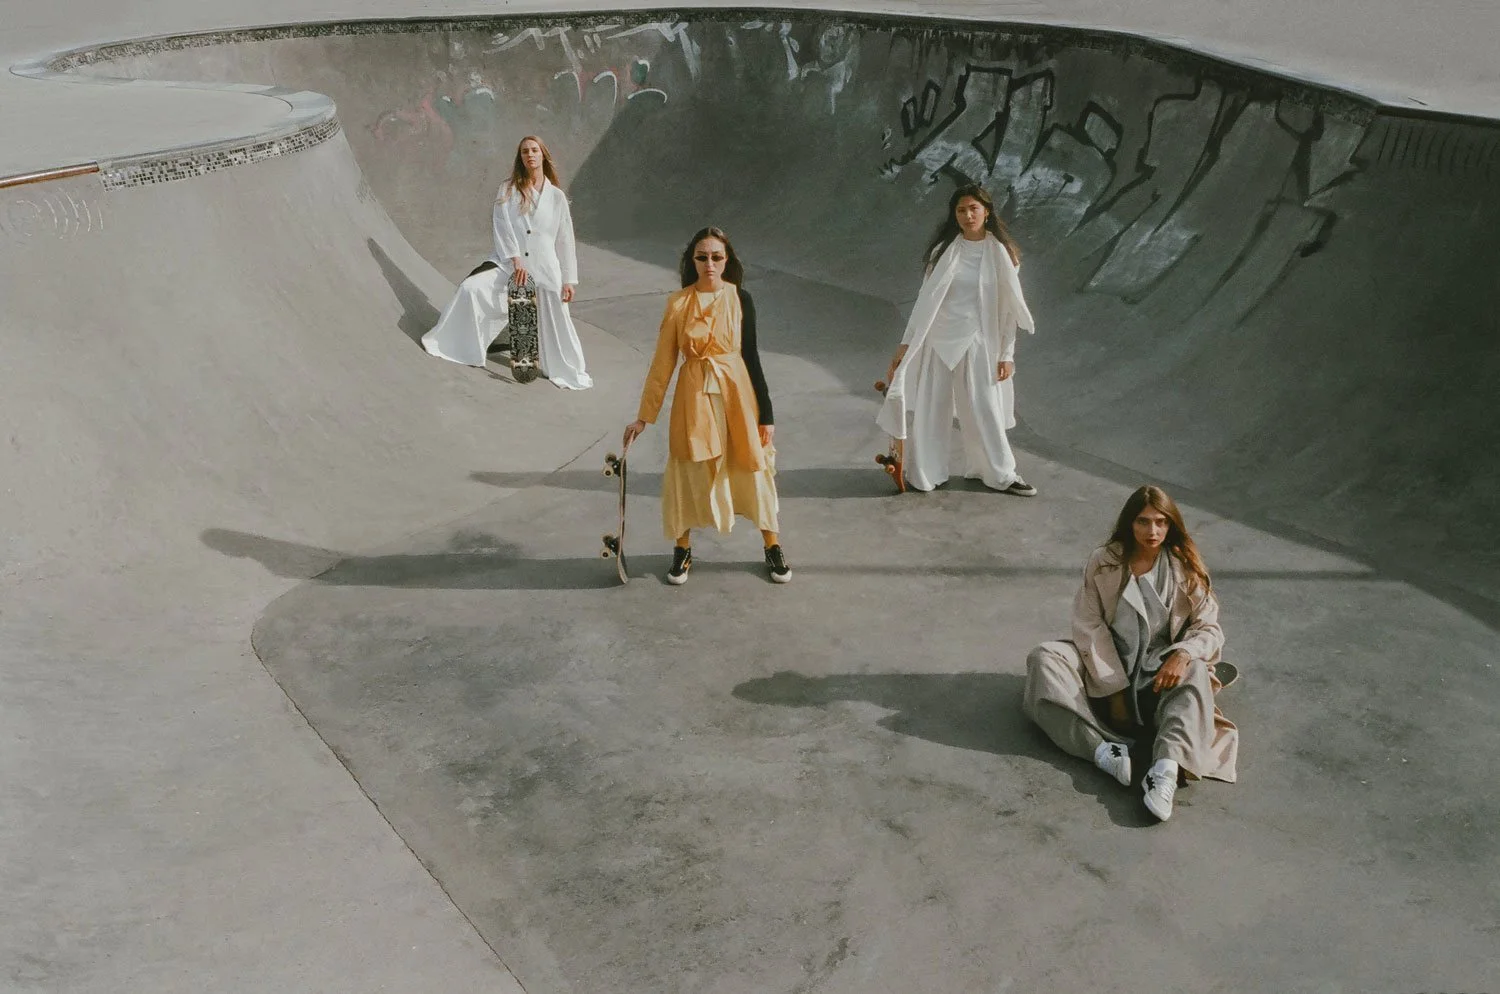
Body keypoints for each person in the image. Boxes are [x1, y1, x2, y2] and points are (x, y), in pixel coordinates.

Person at [1022, 486, 1239, 821]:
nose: (1152, 531)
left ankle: (1164, 769)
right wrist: (1115, 689)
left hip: (1159, 676)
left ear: (1170, 526)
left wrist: (1181, 654)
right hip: (1103, 671)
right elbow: (1088, 624)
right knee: (1044, 658)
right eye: (1143, 522)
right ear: (1129, 523)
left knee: (1195, 670)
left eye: (1160, 522)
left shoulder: (1185, 568)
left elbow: (1209, 628)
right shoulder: (1104, 561)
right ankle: (1101, 750)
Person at [622, 227, 789, 585]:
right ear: (692, 261)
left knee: (752, 467)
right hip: (693, 396)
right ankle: (682, 549)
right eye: (702, 257)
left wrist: (767, 413)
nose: (710, 264)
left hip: (738, 394)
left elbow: (751, 355)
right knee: (688, 468)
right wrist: (643, 417)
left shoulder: (741, 299)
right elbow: (663, 362)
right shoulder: (679, 303)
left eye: (717, 257)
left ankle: (772, 545)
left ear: (727, 260)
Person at [876, 184, 1036, 495]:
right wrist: (906, 344)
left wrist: (1007, 353)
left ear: (986, 211)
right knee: (930, 408)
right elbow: (925, 302)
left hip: (978, 341)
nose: (967, 215)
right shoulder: (943, 252)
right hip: (937, 340)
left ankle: (999, 473)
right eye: (961, 210)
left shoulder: (1003, 255)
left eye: (973, 208)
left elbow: (1008, 311)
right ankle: (924, 472)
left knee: (983, 408)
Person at [421, 135, 592, 389]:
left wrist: (569, 280)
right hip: (511, 265)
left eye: (534, 150)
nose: (530, 155)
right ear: (520, 158)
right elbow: (501, 225)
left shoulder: (556, 197)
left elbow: (565, 240)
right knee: (472, 289)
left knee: (559, 326)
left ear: (543, 155)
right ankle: (458, 345)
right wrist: (515, 261)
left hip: (546, 270)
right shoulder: (509, 189)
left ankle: (560, 366)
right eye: (525, 151)